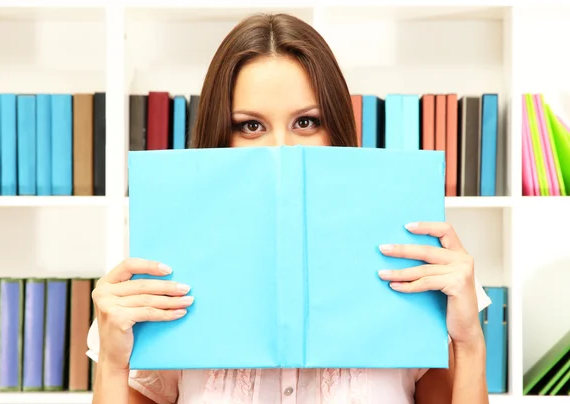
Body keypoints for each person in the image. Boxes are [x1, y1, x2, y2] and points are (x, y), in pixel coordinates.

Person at [87, 12, 492, 404]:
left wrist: (469, 341)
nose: (281, 149)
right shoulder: (164, 266)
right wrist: (111, 361)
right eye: (250, 126)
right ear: (220, 135)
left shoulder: (420, 259)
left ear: (335, 127)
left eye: (305, 123)